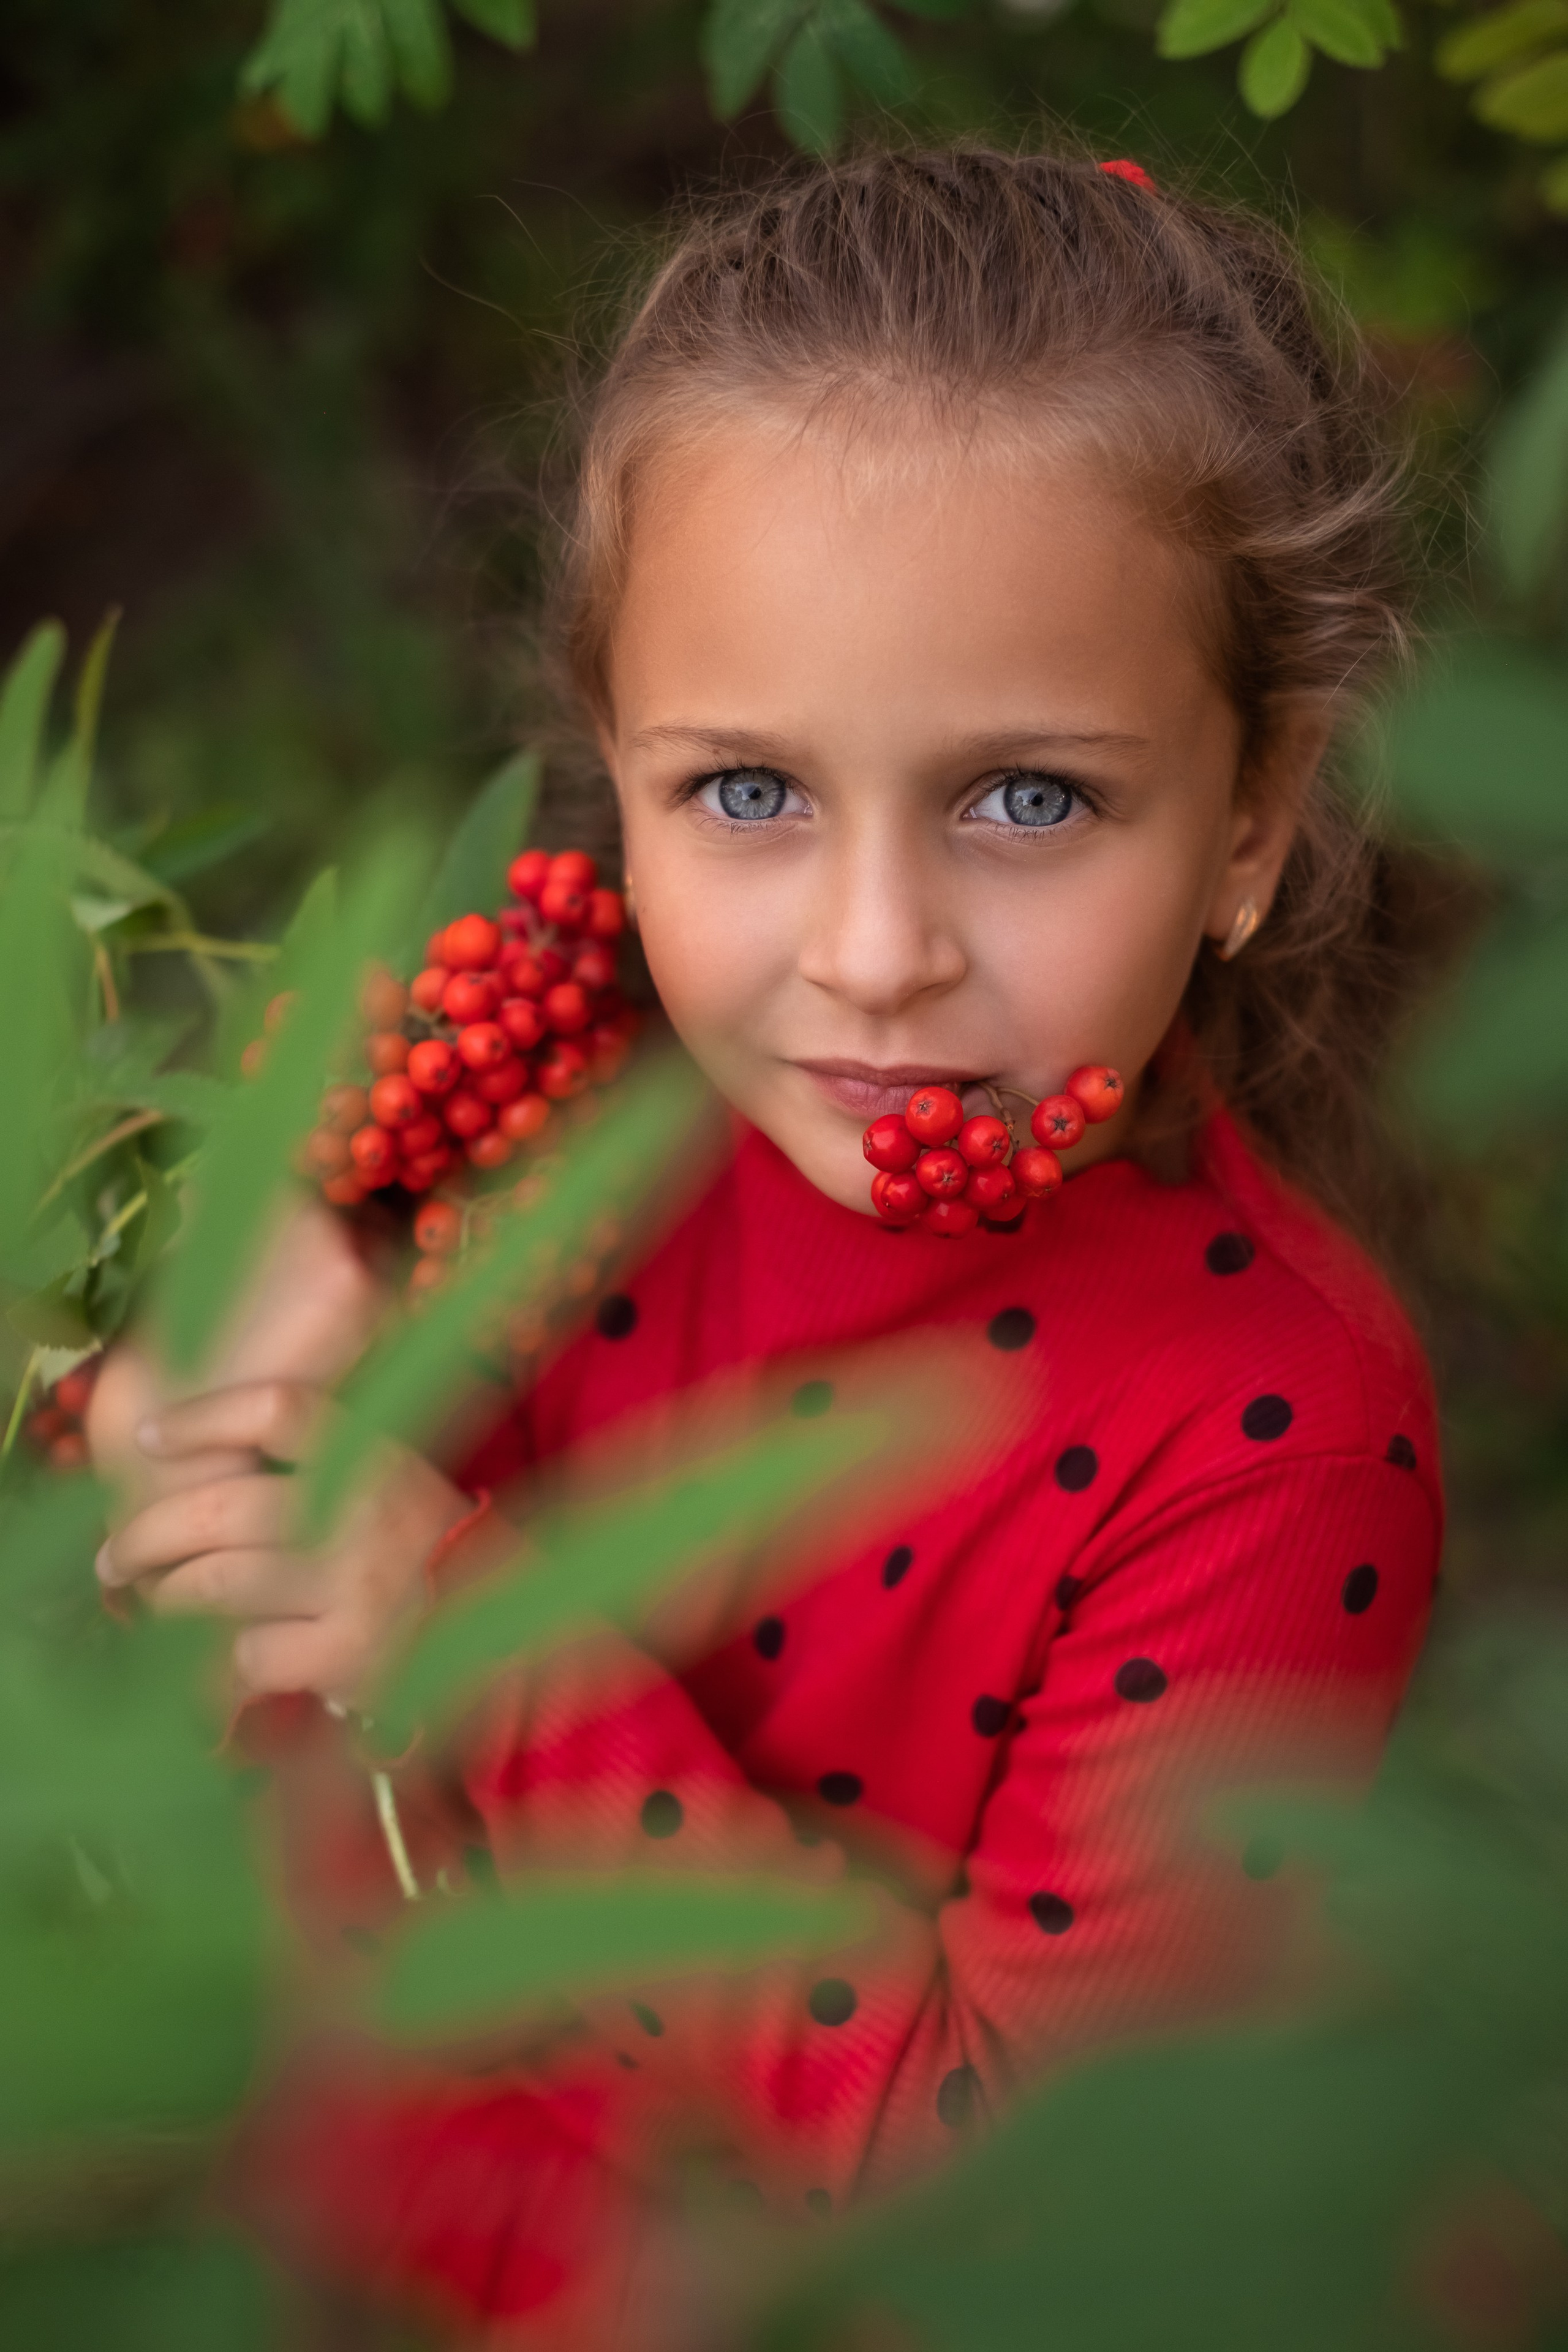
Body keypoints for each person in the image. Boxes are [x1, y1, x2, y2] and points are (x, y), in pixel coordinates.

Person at [89, 147, 1455, 2344]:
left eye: (1030, 798)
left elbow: (1021, 2201)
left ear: (1255, 821)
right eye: (746, 792)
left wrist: (467, 1617)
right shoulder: (503, 1068)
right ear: (613, 767)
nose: (874, 954)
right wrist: (164, 1392)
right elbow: (153, 1641)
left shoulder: (1272, 1441)